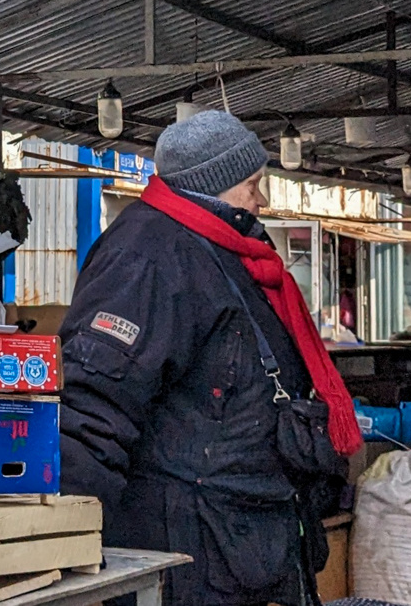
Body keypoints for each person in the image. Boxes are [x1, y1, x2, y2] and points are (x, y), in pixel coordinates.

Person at [59, 111, 361, 606]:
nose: (260, 200)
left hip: (240, 544)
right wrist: (70, 548)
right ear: (212, 185)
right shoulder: (148, 257)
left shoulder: (220, 250)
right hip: (188, 556)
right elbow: (94, 406)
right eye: (252, 184)